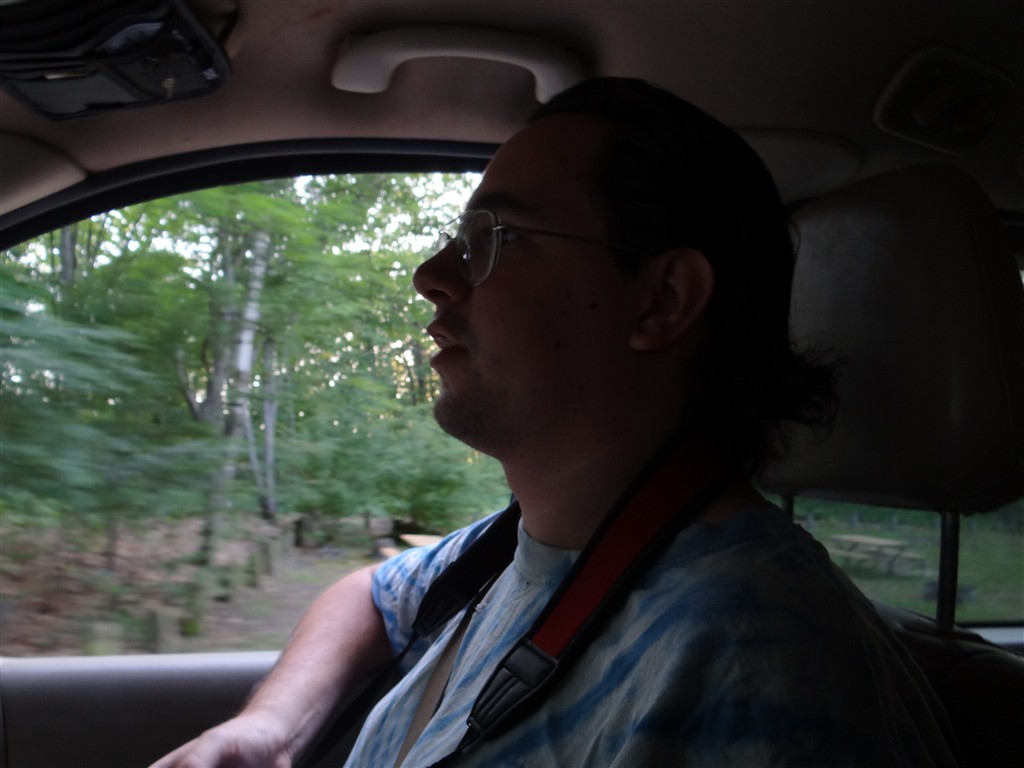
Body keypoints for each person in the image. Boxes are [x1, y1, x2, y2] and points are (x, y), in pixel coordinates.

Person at [152, 78, 959, 767]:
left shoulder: (755, 659)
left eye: (492, 238)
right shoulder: (522, 546)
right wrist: (269, 730)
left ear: (661, 300)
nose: (431, 275)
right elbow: (370, 594)